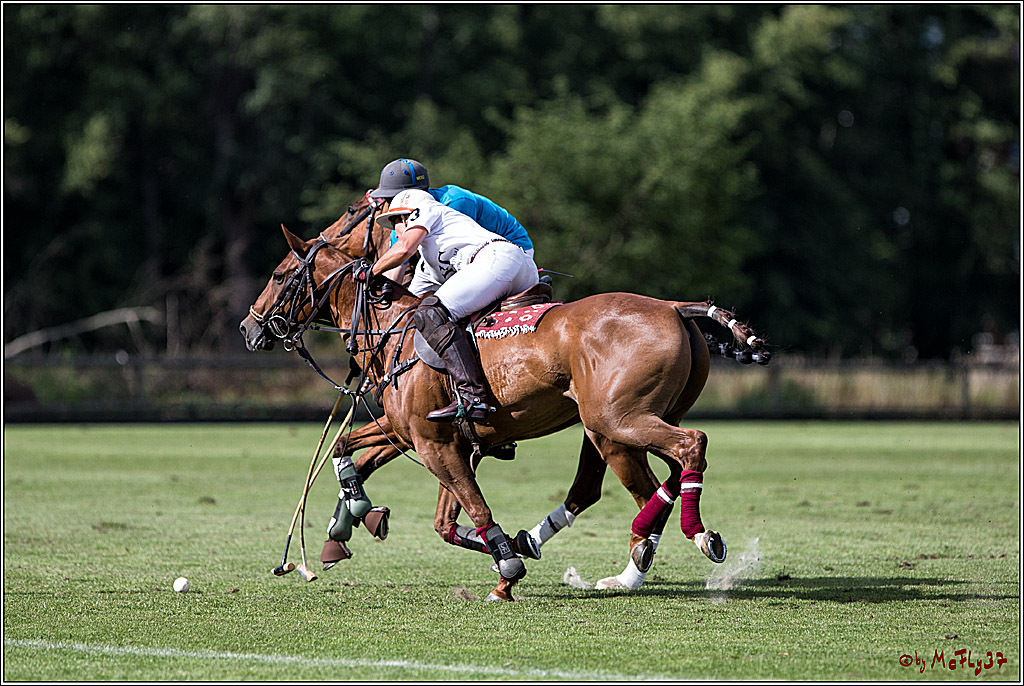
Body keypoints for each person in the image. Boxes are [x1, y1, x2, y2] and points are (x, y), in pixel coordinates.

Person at [356, 187, 539, 422]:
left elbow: (404, 249)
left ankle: (473, 397)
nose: (395, 231)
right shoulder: (428, 261)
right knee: (441, 318)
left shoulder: (426, 209)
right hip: (520, 270)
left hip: (498, 259)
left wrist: (370, 271)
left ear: (406, 216)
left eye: (395, 222)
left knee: (432, 313)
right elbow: (403, 302)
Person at [368, 158, 534, 288]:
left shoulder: (455, 201)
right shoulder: (401, 224)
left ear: (407, 195)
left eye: (390, 199)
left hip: (514, 250)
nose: (388, 206)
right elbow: (394, 276)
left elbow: (461, 254)